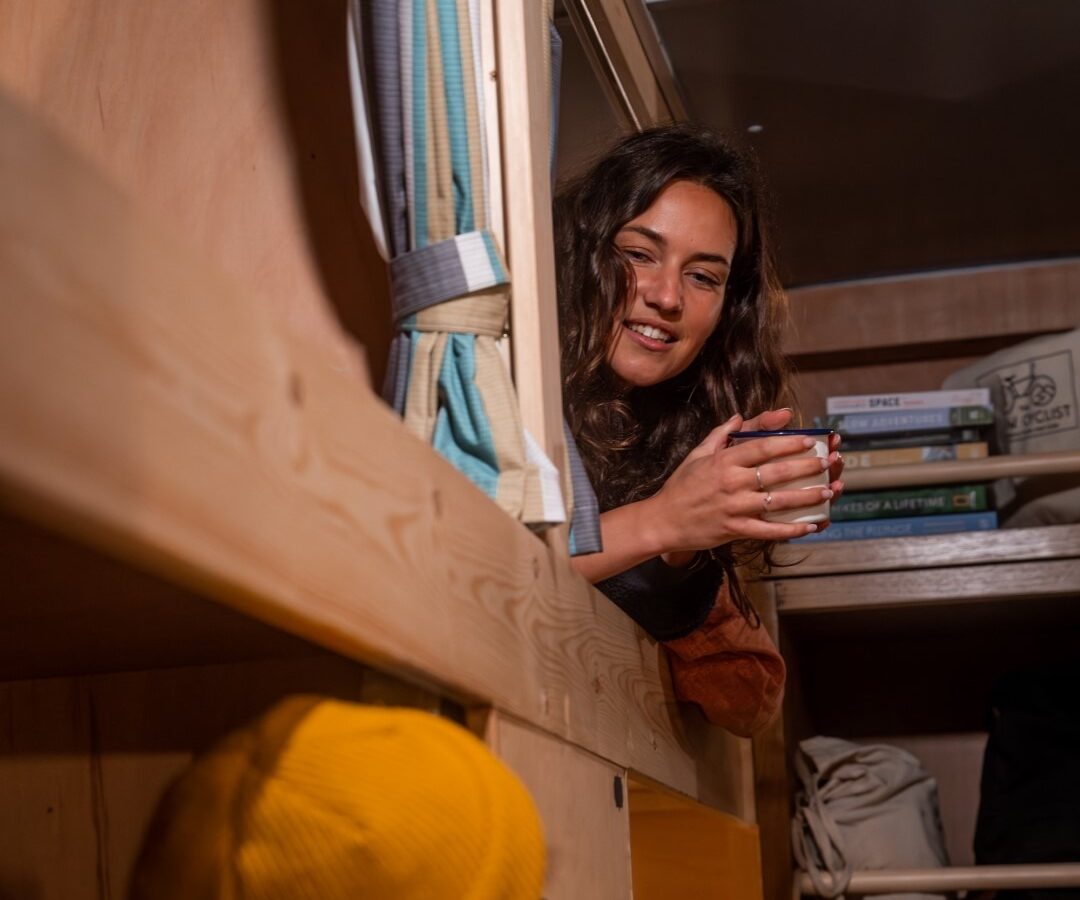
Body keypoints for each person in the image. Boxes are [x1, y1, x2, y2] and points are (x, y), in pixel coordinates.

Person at [555, 124, 844, 733]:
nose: (667, 297)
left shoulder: (667, 438)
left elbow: (751, 699)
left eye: (703, 276)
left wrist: (687, 545)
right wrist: (666, 520)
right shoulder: (510, 383)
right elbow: (480, 562)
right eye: (638, 254)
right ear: (576, 255)